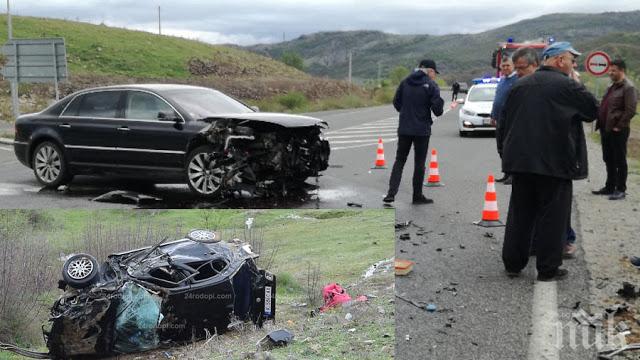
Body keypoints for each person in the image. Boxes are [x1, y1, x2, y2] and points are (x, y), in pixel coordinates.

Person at [500, 42, 598, 281]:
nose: (573, 65)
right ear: (559, 60)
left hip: (521, 162)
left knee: (520, 213)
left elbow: (503, 124)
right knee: (552, 217)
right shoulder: (567, 86)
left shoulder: (518, 85)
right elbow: (593, 110)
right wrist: (576, 83)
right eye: (571, 60)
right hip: (555, 162)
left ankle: (513, 263)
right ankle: (547, 269)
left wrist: (506, 156)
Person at [383, 59, 444, 204]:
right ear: (429, 70)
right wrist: (437, 102)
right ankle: (417, 196)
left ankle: (391, 194)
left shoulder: (405, 82)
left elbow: (396, 102)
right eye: (434, 72)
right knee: (419, 163)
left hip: (404, 128)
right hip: (422, 130)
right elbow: (438, 110)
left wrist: (406, 113)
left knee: (400, 160)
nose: (434, 75)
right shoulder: (431, 85)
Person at [592, 58, 638, 200]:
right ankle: (609, 186)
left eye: (613, 70)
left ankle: (621, 189)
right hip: (606, 129)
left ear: (621, 71)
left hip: (618, 130)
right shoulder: (611, 86)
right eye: (610, 70)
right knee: (608, 158)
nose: (610, 72)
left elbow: (630, 110)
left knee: (619, 160)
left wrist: (619, 126)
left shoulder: (629, 88)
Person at [491, 55, 517, 184]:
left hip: (511, 120)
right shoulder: (502, 81)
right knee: (500, 147)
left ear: (513, 66)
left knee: (510, 148)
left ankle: (513, 175)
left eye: (508, 66)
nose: (505, 68)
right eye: (503, 66)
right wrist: (493, 115)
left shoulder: (517, 80)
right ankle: (506, 173)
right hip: (500, 119)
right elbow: (497, 100)